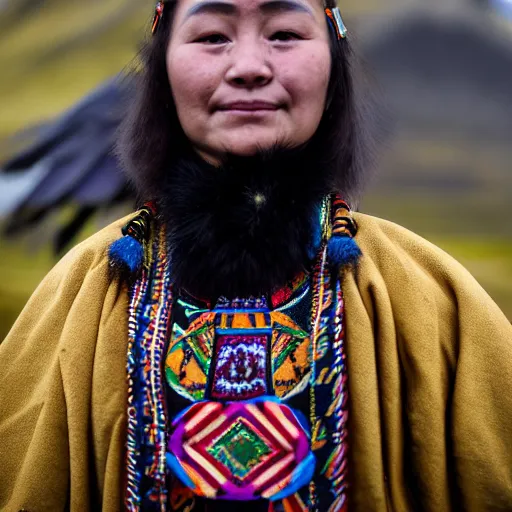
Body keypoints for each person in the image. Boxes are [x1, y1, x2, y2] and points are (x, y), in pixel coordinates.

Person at [0, 0, 511, 510]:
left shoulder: (431, 300)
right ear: (162, 71)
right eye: (212, 36)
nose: (248, 67)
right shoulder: (83, 293)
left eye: (284, 33)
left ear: (334, 64)